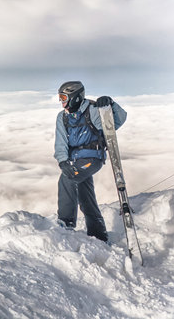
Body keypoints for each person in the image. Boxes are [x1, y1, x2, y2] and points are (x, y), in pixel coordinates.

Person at [54, 81, 127, 242]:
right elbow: (60, 142)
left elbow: (117, 122)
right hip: (75, 160)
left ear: (75, 97)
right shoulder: (62, 117)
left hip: (92, 158)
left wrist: (110, 105)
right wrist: (62, 161)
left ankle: (66, 223)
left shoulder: (92, 111)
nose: (62, 102)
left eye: (64, 97)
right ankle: (99, 234)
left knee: (67, 178)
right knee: (85, 195)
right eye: (60, 98)